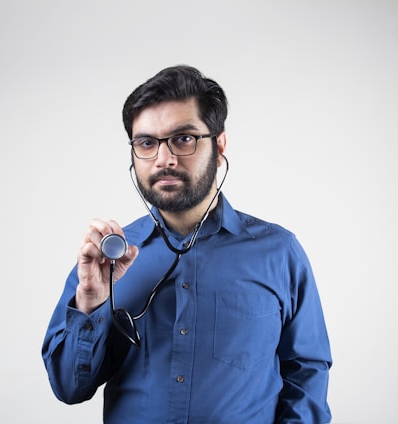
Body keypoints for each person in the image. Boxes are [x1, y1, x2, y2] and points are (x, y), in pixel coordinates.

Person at [42, 65, 332, 423]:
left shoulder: (278, 252)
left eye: (183, 138)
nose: (164, 158)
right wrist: (90, 302)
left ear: (219, 144)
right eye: (147, 143)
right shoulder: (104, 260)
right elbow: (69, 388)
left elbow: (306, 372)